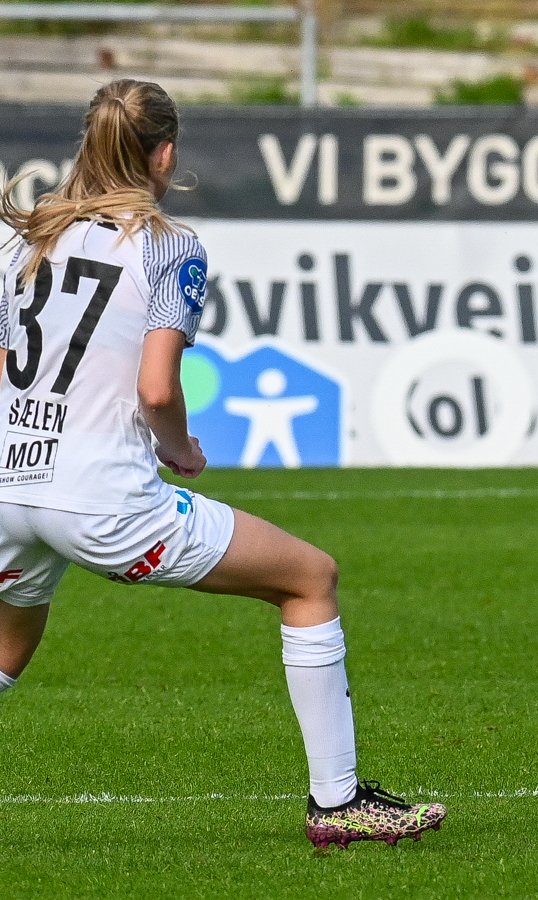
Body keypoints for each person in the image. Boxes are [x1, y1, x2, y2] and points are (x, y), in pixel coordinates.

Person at [0, 79, 446, 848]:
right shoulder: (169, 247)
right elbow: (156, 388)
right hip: (102, 500)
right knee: (310, 578)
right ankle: (338, 803)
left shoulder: (22, 240)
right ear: (164, 154)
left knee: (9, 646)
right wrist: (178, 449)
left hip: (10, 485)